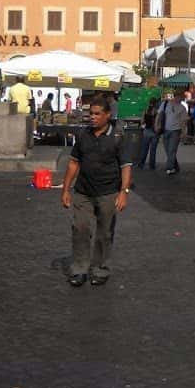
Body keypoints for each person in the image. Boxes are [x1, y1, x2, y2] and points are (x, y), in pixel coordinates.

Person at [60, 95, 134, 287]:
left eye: (97, 114)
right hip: (83, 191)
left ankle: (100, 269)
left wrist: (124, 192)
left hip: (108, 193)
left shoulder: (117, 137)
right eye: (90, 113)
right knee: (80, 229)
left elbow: (126, 166)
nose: (92, 117)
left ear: (107, 115)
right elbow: (74, 163)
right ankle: (79, 269)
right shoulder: (84, 135)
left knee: (104, 233)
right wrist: (66, 189)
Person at [159, 92, 189, 175]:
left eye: (182, 98)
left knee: (171, 150)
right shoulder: (165, 104)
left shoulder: (182, 108)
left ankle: (170, 168)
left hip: (176, 131)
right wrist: (157, 124)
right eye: (180, 97)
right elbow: (159, 114)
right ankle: (175, 165)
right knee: (168, 150)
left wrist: (183, 132)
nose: (181, 99)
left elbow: (184, 121)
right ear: (175, 97)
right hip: (165, 130)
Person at [137, 98, 160, 170]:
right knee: (153, 150)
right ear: (156, 104)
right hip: (154, 133)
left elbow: (142, 121)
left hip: (146, 131)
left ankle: (141, 164)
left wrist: (145, 126)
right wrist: (157, 131)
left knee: (144, 149)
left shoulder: (145, 110)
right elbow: (156, 124)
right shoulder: (157, 112)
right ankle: (152, 166)